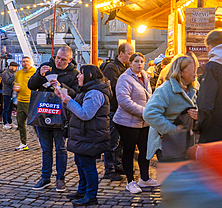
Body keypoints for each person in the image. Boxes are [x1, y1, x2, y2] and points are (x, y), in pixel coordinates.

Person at [56, 65, 111, 207]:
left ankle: (91, 195)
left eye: (81, 74)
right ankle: (82, 191)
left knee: (88, 166)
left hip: (90, 136)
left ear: (89, 76)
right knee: (81, 164)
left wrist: (69, 101)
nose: (78, 76)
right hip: (84, 135)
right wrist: (64, 99)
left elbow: (85, 114)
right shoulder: (87, 90)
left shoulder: (95, 93)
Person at [27, 45, 79, 191]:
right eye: (57, 58)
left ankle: (60, 178)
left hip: (61, 115)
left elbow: (76, 93)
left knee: (61, 148)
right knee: (45, 149)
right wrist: (39, 75)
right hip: (42, 113)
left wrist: (61, 86)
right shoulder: (46, 66)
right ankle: (45, 177)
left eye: (63, 60)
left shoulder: (74, 74)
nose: (59, 62)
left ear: (70, 60)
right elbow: (31, 85)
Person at [144, 54, 198, 164]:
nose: (195, 73)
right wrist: (172, 130)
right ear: (181, 72)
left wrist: (198, 114)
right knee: (173, 178)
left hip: (186, 144)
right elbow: (149, 113)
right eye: (192, 70)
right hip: (167, 145)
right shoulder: (165, 89)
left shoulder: (195, 89)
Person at [112, 52, 154, 194]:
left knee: (145, 150)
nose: (140, 64)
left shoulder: (146, 76)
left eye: (142, 61)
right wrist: (144, 112)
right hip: (127, 122)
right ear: (130, 63)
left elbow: (149, 97)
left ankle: (145, 178)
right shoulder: (124, 78)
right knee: (129, 151)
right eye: (136, 61)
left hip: (144, 122)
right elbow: (124, 101)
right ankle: (130, 181)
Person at [100, 42, 132, 181]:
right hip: (113, 109)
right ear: (120, 54)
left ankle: (118, 165)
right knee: (112, 141)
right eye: (129, 53)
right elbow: (115, 88)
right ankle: (109, 169)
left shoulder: (123, 68)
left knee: (120, 141)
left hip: (121, 109)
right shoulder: (111, 68)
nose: (130, 56)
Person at [13, 55, 35, 151]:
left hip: (32, 101)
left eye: (26, 61)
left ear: (30, 62)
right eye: (23, 61)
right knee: (20, 122)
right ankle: (23, 143)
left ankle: (42, 141)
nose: (25, 63)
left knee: (35, 123)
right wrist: (15, 88)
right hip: (21, 101)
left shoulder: (34, 72)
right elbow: (16, 84)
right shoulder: (18, 73)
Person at [0, 61, 17, 129]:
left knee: (10, 108)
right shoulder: (5, 73)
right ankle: (5, 123)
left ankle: (10, 122)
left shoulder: (13, 73)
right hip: (7, 93)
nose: (16, 68)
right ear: (11, 66)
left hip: (12, 93)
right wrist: (14, 77)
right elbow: (8, 81)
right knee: (6, 108)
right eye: (15, 67)